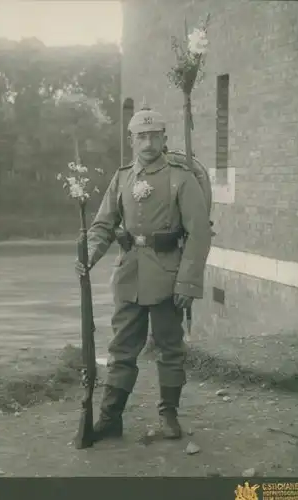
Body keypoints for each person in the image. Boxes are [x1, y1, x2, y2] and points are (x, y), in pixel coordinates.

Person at [75, 104, 211, 442]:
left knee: (169, 348)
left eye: (154, 135)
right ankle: (110, 417)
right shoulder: (121, 177)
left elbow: (199, 233)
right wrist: (89, 256)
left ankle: (168, 415)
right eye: (141, 136)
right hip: (129, 275)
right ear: (132, 140)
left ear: (164, 138)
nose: (147, 142)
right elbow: (103, 225)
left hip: (168, 277)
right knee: (121, 349)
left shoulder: (181, 178)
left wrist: (188, 282)